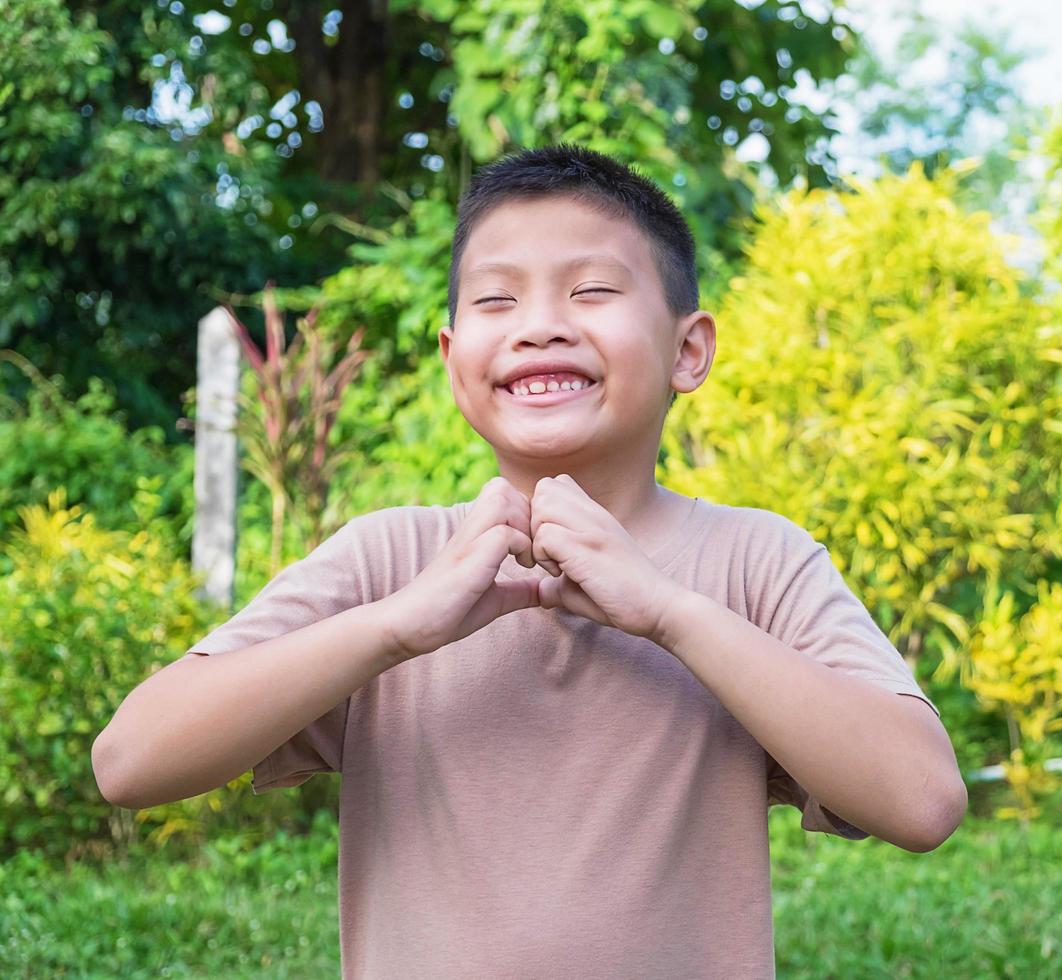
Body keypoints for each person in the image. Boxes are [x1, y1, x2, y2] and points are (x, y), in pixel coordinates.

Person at [92, 142, 967, 979]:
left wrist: (669, 613)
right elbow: (132, 761)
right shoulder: (391, 561)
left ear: (687, 349)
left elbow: (922, 802)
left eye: (591, 290)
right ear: (451, 358)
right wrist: (397, 627)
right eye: (497, 301)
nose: (541, 326)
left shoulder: (755, 560)